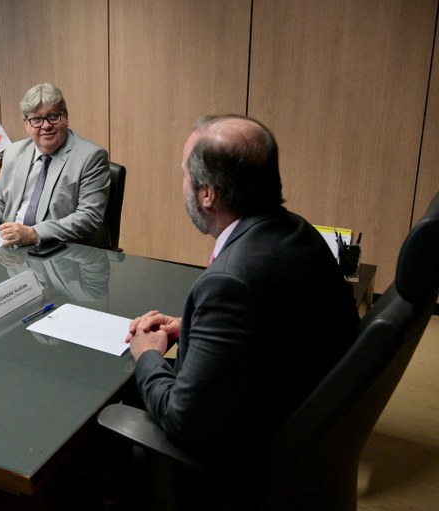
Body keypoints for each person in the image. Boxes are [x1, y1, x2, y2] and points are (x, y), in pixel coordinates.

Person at [46, 114, 360, 511]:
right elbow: (270, 323)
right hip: (290, 430)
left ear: (207, 193)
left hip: (226, 467)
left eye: (184, 175)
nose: (183, 186)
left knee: (67, 450)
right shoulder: (297, 233)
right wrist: (192, 326)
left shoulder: (231, 281)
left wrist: (148, 354)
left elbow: (182, 420)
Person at [0, 83, 110, 247]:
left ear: (65, 117)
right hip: (11, 252)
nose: (46, 126)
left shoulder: (90, 157)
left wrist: (33, 234)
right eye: (37, 119)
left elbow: (88, 217)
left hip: (61, 252)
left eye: (53, 116)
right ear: (26, 123)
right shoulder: (13, 152)